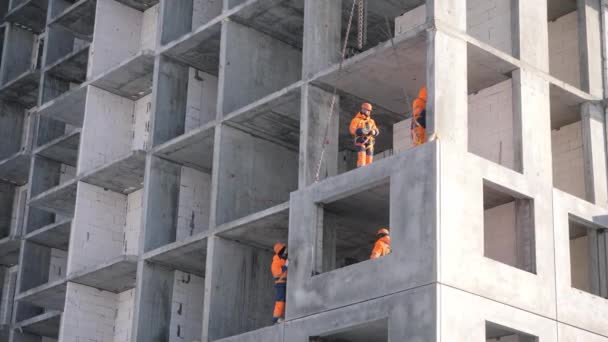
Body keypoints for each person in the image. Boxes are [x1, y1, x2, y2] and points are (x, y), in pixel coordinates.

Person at [349, 102, 380, 167]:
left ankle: (368, 172)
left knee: (369, 159)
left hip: (370, 142)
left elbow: (376, 130)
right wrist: (361, 131)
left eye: (369, 111)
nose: (369, 112)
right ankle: (361, 170)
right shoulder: (356, 120)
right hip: (361, 141)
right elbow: (352, 129)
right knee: (362, 156)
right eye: (367, 110)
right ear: (363, 109)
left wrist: (373, 132)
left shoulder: (371, 121)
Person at [271, 242, 288, 324]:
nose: (286, 251)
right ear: (281, 251)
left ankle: (279, 317)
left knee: (283, 300)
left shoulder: (283, 259)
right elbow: (277, 272)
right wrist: (285, 267)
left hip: (285, 283)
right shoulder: (276, 261)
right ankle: (276, 318)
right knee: (280, 300)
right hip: (280, 283)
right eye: (285, 250)